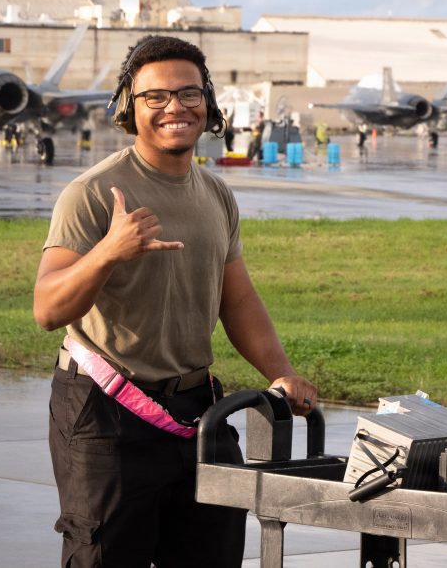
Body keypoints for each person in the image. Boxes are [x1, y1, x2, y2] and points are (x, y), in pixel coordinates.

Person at [33, 35, 317, 568]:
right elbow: (48, 309)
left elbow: (238, 299)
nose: (174, 109)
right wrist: (108, 254)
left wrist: (282, 372)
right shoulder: (93, 194)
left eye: (188, 94)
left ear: (207, 104)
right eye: (155, 97)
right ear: (128, 107)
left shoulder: (216, 194)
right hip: (105, 412)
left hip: (196, 412)